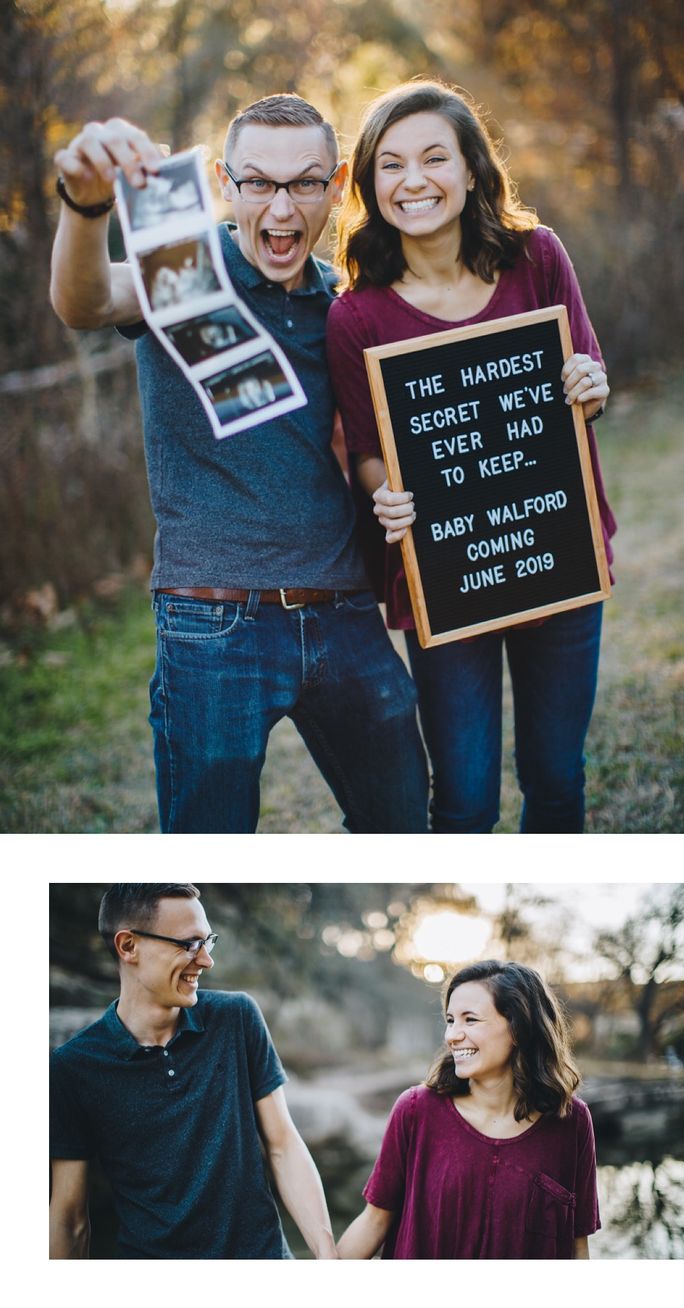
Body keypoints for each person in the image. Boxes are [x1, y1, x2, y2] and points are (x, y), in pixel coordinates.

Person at [50, 96, 428, 834]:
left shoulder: (346, 306)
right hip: (212, 619)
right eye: (259, 183)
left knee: (403, 827)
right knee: (206, 848)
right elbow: (84, 302)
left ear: (338, 184)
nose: (280, 206)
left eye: (304, 183)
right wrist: (85, 207)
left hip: (345, 612)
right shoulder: (184, 272)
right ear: (226, 182)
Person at [326, 80, 617, 833]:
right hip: (446, 576)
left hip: (557, 552)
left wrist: (591, 384)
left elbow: (586, 378)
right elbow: (365, 449)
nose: (413, 180)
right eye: (390, 165)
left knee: (557, 778)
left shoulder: (536, 258)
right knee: (464, 799)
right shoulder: (356, 315)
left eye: (433, 158)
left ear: (470, 170)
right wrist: (383, 490)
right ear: (370, 184)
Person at [49, 882, 338, 1259]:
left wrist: (327, 1256)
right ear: (128, 946)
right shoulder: (74, 1068)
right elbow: (70, 1218)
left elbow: (283, 1145)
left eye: (207, 941)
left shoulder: (236, 1018)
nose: (206, 960)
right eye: (189, 944)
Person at [337, 959, 600, 1259]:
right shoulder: (415, 1111)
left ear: (518, 1028)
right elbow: (374, 1220)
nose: (451, 1035)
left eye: (470, 1020)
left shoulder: (572, 1122)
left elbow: (577, 1245)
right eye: (450, 1020)